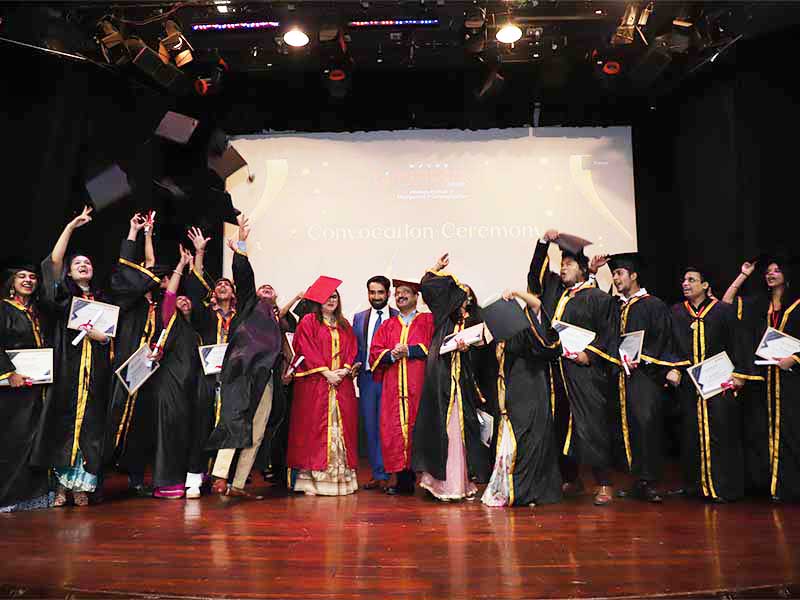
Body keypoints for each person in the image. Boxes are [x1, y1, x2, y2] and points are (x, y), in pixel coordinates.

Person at [527, 230, 620, 505]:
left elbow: (609, 334)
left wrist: (588, 355)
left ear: (582, 269)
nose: (563, 268)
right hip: (556, 370)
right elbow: (534, 277)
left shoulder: (598, 298)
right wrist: (543, 243)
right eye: (562, 264)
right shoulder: (556, 291)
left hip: (584, 373)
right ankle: (572, 478)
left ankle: (604, 483)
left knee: (591, 425)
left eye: (569, 264)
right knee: (559, 426)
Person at [31, 206, 111, 507]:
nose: (83, 265)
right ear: (69, 271)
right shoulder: (63, 295)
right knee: (64, 425)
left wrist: (103, 338)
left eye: (87, 263)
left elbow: (111, 335)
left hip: (95, 373)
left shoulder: (103, 300)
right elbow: (52, 264)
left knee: (91, 427)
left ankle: (82, 486)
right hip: (68, 368)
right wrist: (70, 227)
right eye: (77, 263)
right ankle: (62, 486)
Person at [594, 253, 687, 503]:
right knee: (626, 427)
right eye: (614, 274)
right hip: (620, 375)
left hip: (645, 375)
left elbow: (664, 338)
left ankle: (650, 481)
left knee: (646, 424)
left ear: (633, 276)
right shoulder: (615, 306)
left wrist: (644, 357)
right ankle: (636, 480)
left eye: (620, 273)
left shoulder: (653, 305)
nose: (616, 278)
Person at [671, 267, 760, 502]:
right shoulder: (677, 312)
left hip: (720, 383)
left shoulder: (722, 311)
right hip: (690, 384)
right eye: (684, 279)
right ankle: (696, 487)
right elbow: (671, 344)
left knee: (721, 433)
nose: (686, 283)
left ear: (705, 285)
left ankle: (723, 487)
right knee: (691, 434)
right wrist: (673, 367)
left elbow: (739, 342)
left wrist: (740, 374)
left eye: (692, 280)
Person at [185, 220, 258, 498]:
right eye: (219, 285)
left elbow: (247, 283)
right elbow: (194, 291)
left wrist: (241, 244)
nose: (223, 286)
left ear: (234, 293)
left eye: (228, 284)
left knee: (230, 426)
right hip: (207, 378)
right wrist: (199, 253)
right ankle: (194, 478)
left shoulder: (243, 317)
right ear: (213, 294)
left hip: (234, 380)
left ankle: (221, 478)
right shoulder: (206, 316)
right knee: (201, 424)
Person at [412, 253, 490, 501]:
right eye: (460, 295)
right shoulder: (443, 317)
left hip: (462, 383)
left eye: (467, 296)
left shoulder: (474, 321)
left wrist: (469, 349)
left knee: (462, 432)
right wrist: (436, 267)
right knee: (443, 429)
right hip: (442, 381)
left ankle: (460, 483)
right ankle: (441, 484)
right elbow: (427, 286)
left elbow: (483, 350)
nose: (465, 299)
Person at [206, 253, 284, 500]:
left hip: (266, 379)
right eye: (263, 288)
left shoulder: (277, 320)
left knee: (257, 431)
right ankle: (220, 476)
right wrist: (240, 247)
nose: (266, 289)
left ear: (276, 297)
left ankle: (238, 483)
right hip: (242, 373)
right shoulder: (250, 305)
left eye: (271, 288)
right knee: (234, 420)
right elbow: (244, 277)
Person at [722, 256, 800, 501]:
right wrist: (743, 275)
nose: (771, 274)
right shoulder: (758, 304)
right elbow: (726, 303)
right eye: (768, 271)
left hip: (791, 379)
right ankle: (769, 486)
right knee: (762, 431)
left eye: (776, 270)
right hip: (764, 378)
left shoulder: (797, 305)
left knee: (791, 431)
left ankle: (790, 487)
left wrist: (795, 358)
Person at [481, 289, 563, 507]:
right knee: (518, 439)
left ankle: (527, 491)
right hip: (511, 394)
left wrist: (517, 293)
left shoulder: (528, 333)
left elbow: (536, 306)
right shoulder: (502, 338)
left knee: (530, 439)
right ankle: (516, 489)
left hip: (530, 390)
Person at [104, 212, 168, 495]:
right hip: (123, 366)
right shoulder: (128, 302)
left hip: (148, 372)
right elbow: (127, 267)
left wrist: (149, 235)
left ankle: (136, 477)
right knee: (112, 418)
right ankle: (98, 476)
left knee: (142, 425)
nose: (151, 275)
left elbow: (151, 265)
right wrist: (136, 233)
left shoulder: (161, 307)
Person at [287, 277, 360, 496]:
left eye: (334, 297)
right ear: (318, 300)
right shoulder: (308, 321)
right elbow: (305, 348)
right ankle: (313, 482)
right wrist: (326, 372)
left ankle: (340, 481)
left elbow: (352, 348)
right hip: (315, 384)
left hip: (341, 384)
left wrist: (344, 370)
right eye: (327, 297)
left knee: (341, 430)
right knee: (314, 432)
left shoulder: (344, 324)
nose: (331, 300)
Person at [368, 278, 434, 495]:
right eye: (397, 293)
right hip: (394, 387)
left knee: (421, 428)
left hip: (419, 385)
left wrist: (411, 351)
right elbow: (375, 352)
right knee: (395, 430)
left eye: (406, 292)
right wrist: (391, 354)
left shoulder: (428, 321)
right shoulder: (388, 325)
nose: (401, 296)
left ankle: (426, 480)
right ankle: (403, 480)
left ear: (416, 297)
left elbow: (435, 346)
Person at [0, 264, 54, 512]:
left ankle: (33, 497)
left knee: (36, 440)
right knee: (14, 441)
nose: (28, 280)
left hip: (38, 387)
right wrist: (8, 372)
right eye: (21, 276)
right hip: (12, 391)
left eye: (32, 277)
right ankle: (8, 498)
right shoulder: (3, 309)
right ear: (12, 282)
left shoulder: (39, 311)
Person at [353, 275, 398, 490]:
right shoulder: (359, 318)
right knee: (370, 427)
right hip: (368, 379)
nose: (376, 296)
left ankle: (392, 473)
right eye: (372, 292)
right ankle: (378, 473)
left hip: (392, 378)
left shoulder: (398, 317)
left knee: (390, 427)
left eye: (380, 292)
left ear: (388, 294)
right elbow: (355, 347)